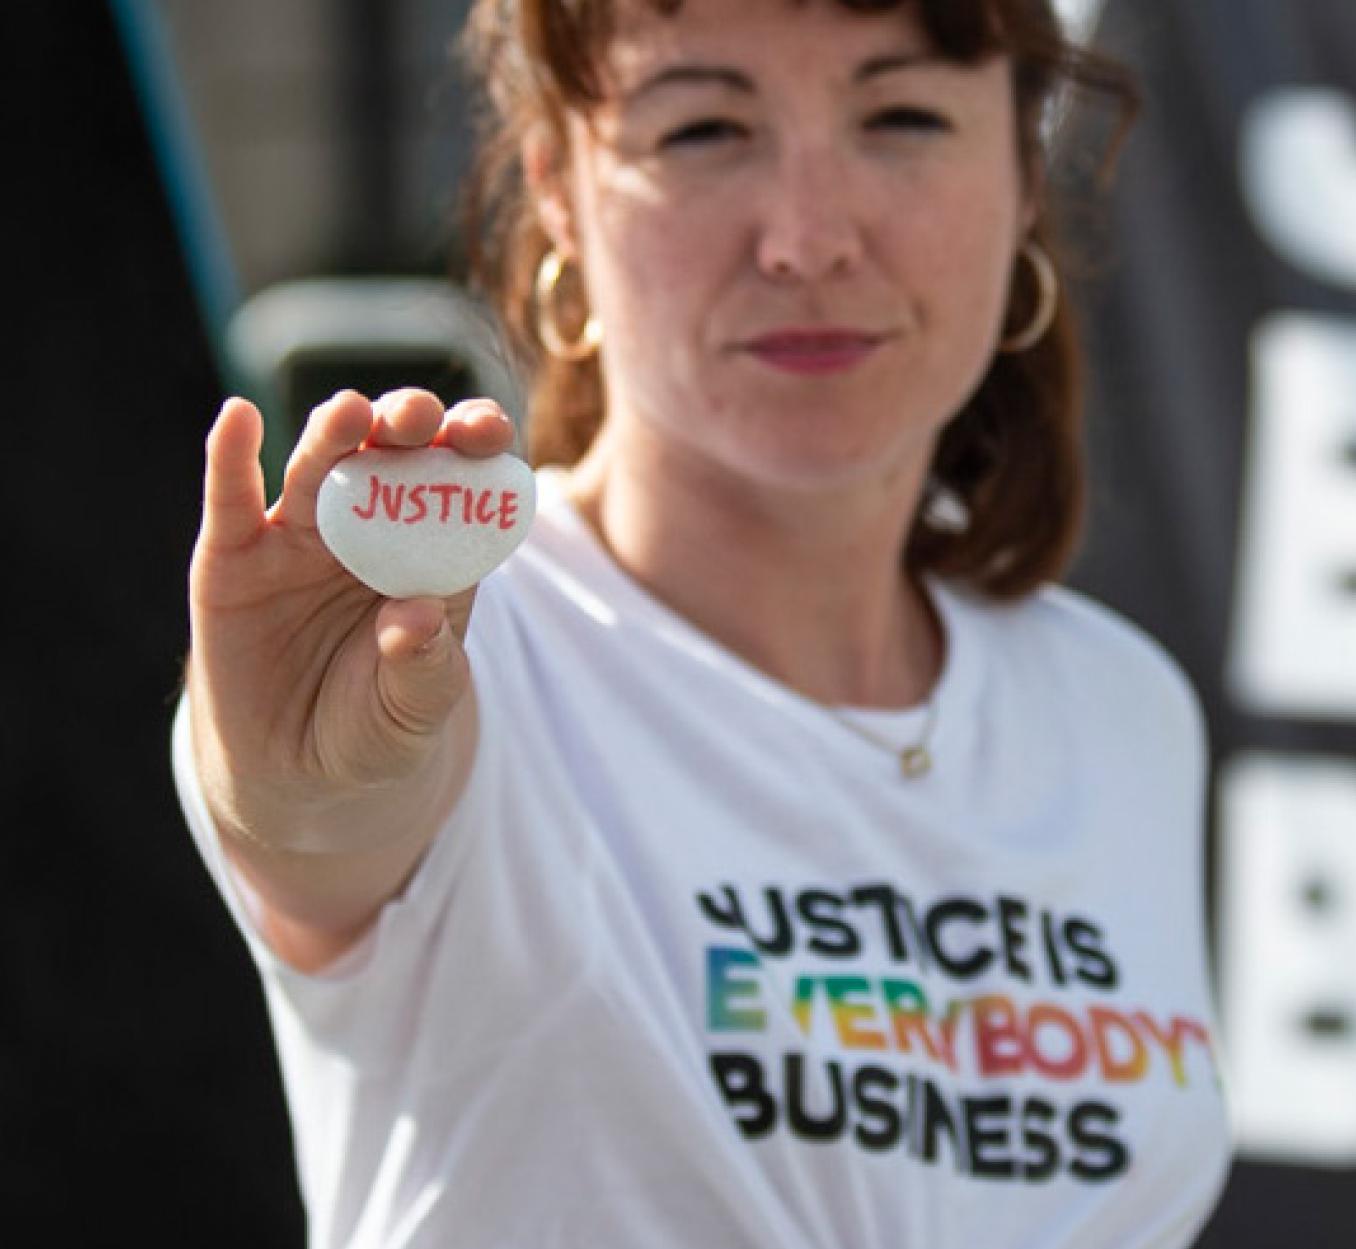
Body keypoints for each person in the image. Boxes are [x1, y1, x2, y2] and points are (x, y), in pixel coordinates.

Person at [174, 0, 1230, 1244]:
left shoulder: (1119, 709)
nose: (808, 238)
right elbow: (322, 820)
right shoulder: (453, 650)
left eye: (902, 117)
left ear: (1021, 171)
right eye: (705, 131)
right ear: (558, 187)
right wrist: (294, 783)